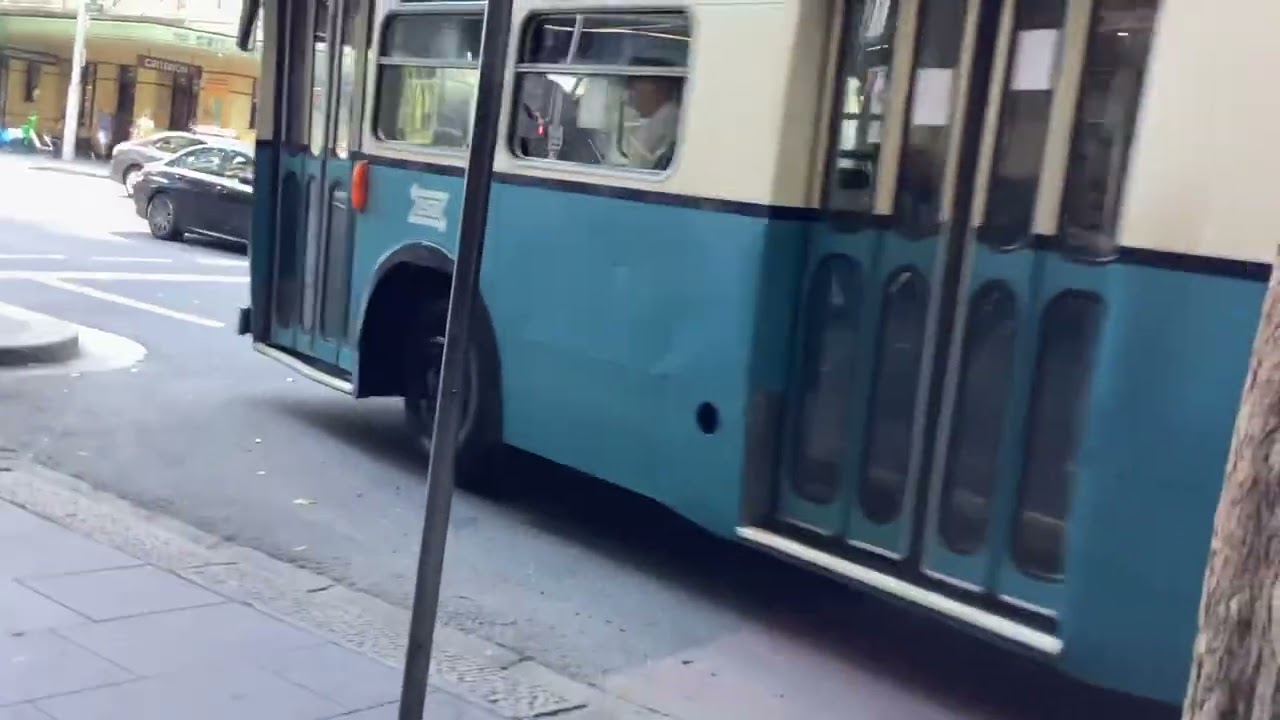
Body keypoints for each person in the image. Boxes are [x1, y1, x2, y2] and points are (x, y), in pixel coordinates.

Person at [616, 75, 681, 170]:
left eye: (634, 88)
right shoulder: (665, 114)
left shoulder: (667, 114)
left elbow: (639, 164)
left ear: (657, 88)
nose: (629, 96)